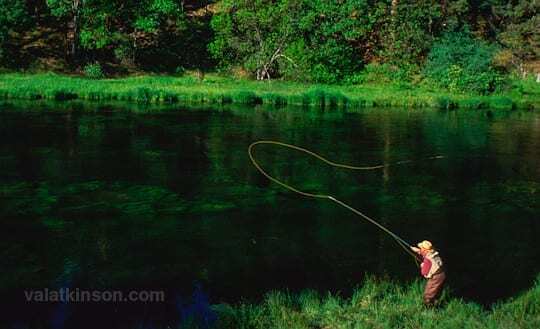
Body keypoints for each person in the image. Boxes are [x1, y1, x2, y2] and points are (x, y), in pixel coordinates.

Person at [410, 240, 446, 306]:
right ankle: (436, 304)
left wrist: (422, 265)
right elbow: (425, 253)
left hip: (436, 277)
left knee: (428, 293)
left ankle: (428, 307)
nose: (421, 249)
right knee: (437, 291)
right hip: (442, 275)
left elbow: (424, 272)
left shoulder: (427, 260)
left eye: (421, 248)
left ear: (425, 250)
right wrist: (417, 251)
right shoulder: (434, 253)